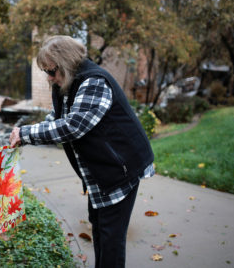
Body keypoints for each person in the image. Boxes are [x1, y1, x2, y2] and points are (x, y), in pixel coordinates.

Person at [9, 35, 155, 268]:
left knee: (110, 238)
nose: (49, 77)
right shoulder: (65, 83)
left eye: (51, 71)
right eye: (46, 71)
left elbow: (73, 126)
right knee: (99, 225)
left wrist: (26, 134)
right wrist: (25, 136)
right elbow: (57, 118)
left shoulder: (94, 82)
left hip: (120, 168)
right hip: (101, 170)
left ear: (66, 63)